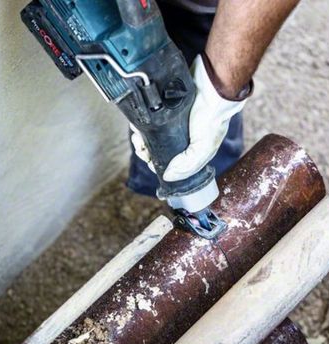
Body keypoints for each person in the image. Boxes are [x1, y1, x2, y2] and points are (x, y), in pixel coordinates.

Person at [127, 0, 300, 197]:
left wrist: (220, 89)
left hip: (203, 15)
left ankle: (216, 196)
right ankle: (164, 192)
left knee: (203, 134)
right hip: (133, 13)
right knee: (160, 133)